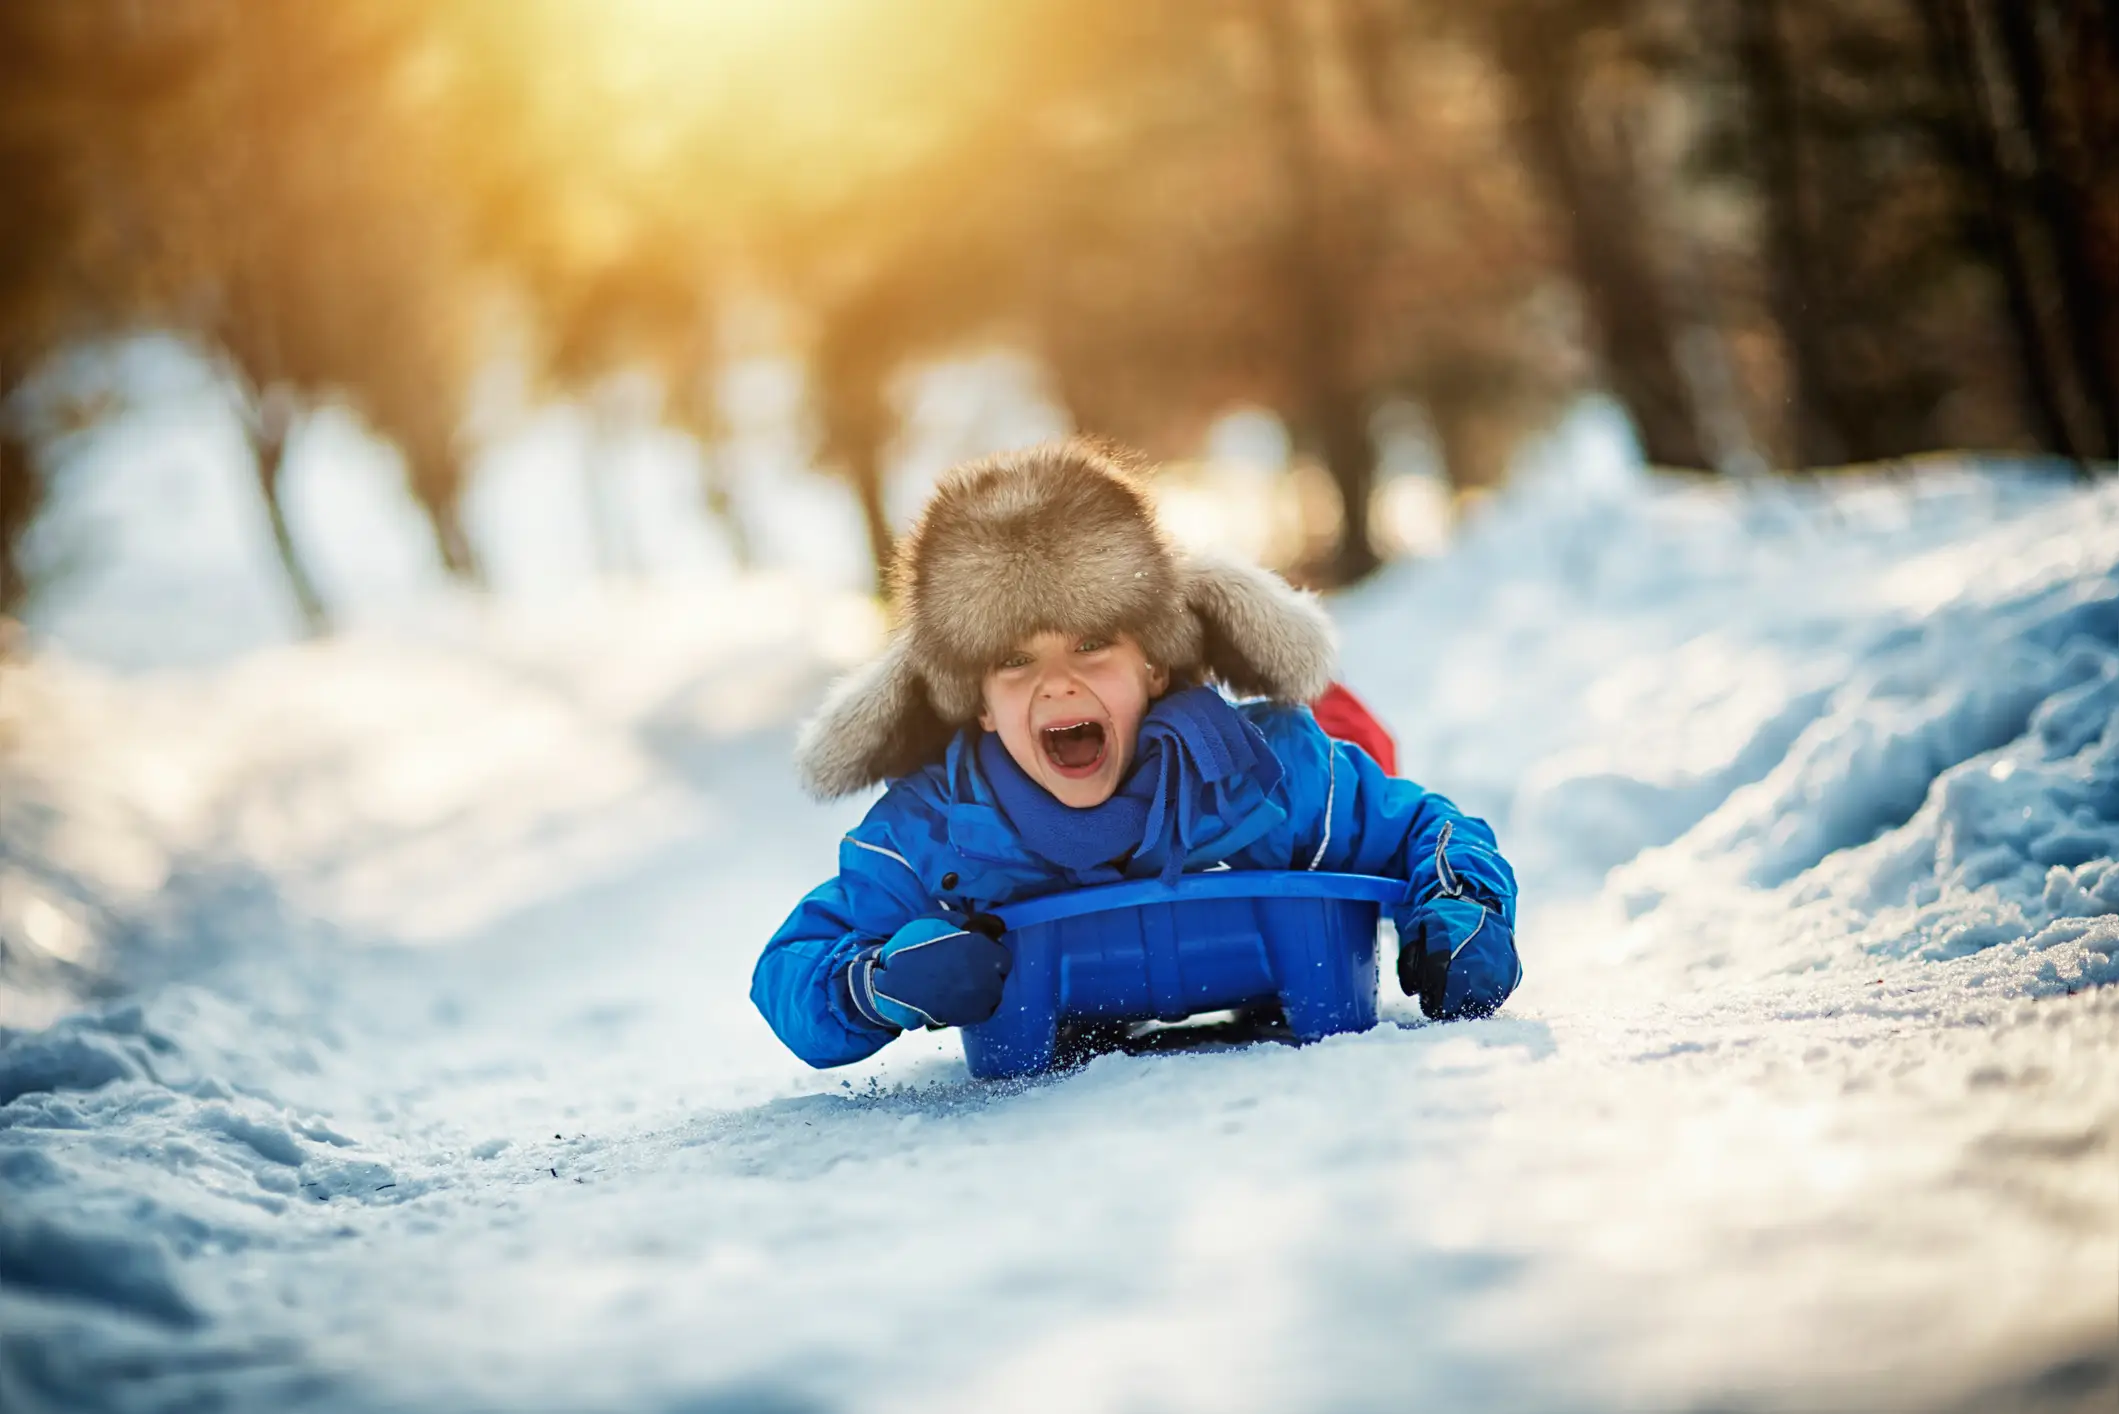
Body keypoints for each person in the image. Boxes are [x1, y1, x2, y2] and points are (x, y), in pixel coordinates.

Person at [752, 440, 1520, 1069]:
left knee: (1348, 740)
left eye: (1091, 646)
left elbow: (1427, 828)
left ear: (1152, 664)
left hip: (1267, 764)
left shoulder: (1265, 774)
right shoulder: (936, 832)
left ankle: (1343, 715)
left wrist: (1462, 908)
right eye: (1014, 662)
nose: (1057, 684)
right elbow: (792, 965)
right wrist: (875, 985)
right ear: (978, 705)